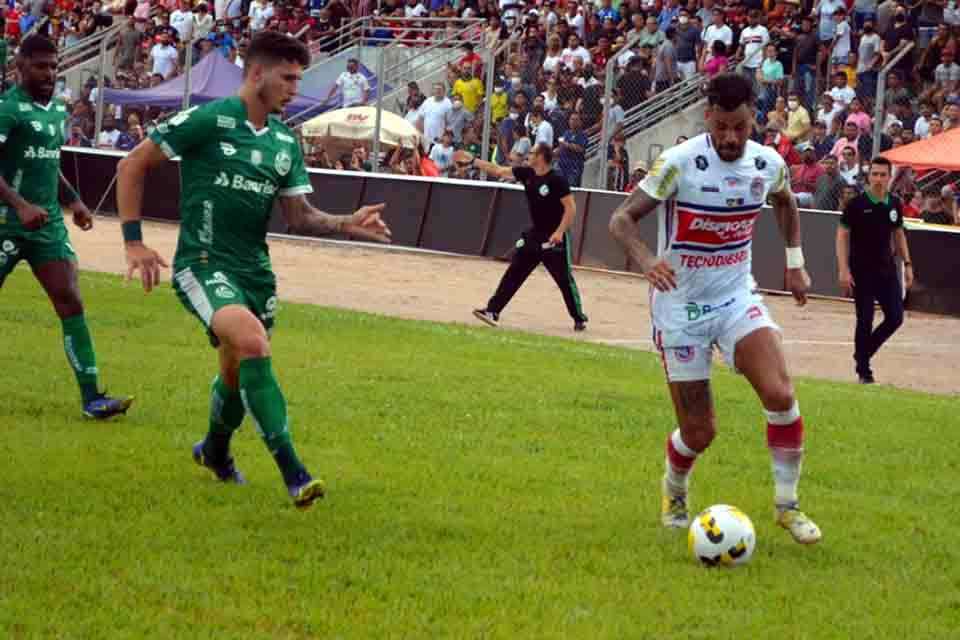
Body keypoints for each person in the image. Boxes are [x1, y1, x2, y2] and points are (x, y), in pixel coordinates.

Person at [115, 31, 391, 508]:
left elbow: (299, 216)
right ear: (256, 73)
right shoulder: (210, 118)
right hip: (203, 263)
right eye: (287, 78)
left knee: (236, 369)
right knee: (251, 344)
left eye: (298, 79)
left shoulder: (285, 140)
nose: (293, 88)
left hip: (255, 273)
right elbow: (133, 164)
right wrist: (134, 242)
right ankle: (295, 474)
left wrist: (347, 223)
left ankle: (215, 452)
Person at [608, 73, 821, 545]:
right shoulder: (679, 163)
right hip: (680, 307)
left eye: (740, 127)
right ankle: (675, 488)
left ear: (754, 121)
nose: (730, 137)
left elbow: (786, 203)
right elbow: (620, 218)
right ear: (708, 117)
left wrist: (795, 263)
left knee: (781, 395)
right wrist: (647, 260)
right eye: (722, 126)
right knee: (700, 432)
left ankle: (787, 506)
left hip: (735, 297)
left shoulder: (767, 164)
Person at [0, 35, 132, 420]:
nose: (49, 73)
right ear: (19, 67)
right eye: (40, 66)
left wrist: (73, 201)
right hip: (7, 223)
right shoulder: (8, 110)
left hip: (46, 227)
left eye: (54, 66)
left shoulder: (56, 112)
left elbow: (47, 163)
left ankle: (92, 399)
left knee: (70, 301)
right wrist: (21, 205)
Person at [455, 143, 588, 332]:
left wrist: (559, 232)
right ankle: (492, 311)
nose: (529, 155)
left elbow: (570, 208)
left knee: (564, 280)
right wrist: (474, 161)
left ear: (541, 156)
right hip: (534, 235)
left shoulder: (557, 180)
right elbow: (500, 171)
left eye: (532, 153)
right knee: (514, 273)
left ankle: (578, 317)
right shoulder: (527, 174)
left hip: (554, 239)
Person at [836, 157, 912, 384]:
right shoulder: (856, 204)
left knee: (896, 317)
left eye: (883, 175)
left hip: (887, 269)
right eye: (875, 174)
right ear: (869, 176)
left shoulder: (894, 204)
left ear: (890, 177)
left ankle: (863, 353)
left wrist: (908, 264)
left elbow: (898, 234)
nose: (878, 179)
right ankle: (864, 371)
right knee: (865, 319)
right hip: (861, 271)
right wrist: (843, 270)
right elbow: (841, 235)